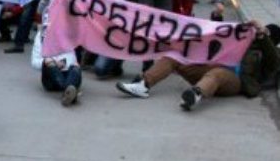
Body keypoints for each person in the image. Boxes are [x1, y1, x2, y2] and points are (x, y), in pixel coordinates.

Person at [115, 20, 279, 111]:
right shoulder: (243, 40)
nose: (258, 34)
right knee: (175, 56)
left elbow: (274, 60)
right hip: (207, 68)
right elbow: (218, 34)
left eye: (265, 33)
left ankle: (195, 94)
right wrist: (217, 16)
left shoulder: (269, 53)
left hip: (236, 81)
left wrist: (263, 37)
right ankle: (143, 84)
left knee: (218, 73)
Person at [31, 0, 82, 107]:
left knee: (76, 68)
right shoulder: (42, 35)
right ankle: (70, 91)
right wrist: (49, 62)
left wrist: (72, 63)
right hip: (51, 75)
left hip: (68, 71)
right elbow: (34, 62)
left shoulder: (68, 34)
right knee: (51, 65)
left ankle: (69, 91)